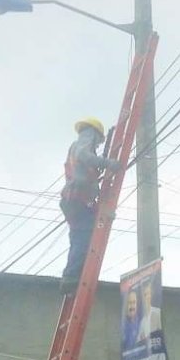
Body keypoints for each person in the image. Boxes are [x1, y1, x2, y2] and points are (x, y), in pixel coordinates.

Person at [60, 117, 121, 294]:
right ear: (93, 134)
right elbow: (83, 156)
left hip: (75, 202)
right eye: (98, 140)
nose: (96, 144)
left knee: (80, 238)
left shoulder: (82, 154)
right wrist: (107, 163)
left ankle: (72, 277)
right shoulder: (83, 144)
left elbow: (87, 172)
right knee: (83, 238)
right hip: (77, 200)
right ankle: (71, 277)